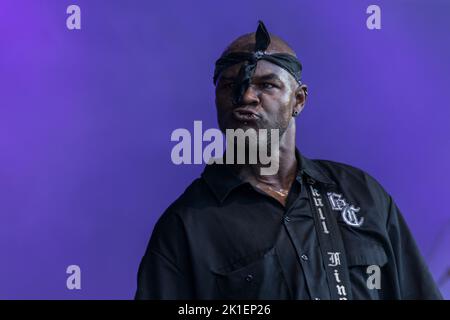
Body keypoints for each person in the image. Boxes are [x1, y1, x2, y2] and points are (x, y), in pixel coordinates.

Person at [135, 21, 442, 300]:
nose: (246, 97)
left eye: (266, 85)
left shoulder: (363, 195)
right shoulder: (185, 227)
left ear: (299, 100)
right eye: (230, 86)